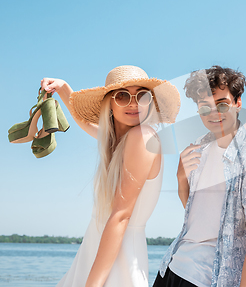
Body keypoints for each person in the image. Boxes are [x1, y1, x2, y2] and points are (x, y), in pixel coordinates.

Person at [41, 65, 180, 287]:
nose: (133, 103)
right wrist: (64, 88)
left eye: (141, 95)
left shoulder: (142, 136)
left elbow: (121, 216)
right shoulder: (117, 141)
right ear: (110, 104)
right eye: (123, 96)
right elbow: (86, 123)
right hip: (99, 251)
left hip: (119, 259)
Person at [153, 65, 246, 287]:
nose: (214, 114)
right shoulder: (198, 147)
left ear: (238, 103)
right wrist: (180, 176)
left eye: (222, 104)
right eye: (205, 108)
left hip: (208, 278)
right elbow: (195, 213)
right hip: (170, 267)